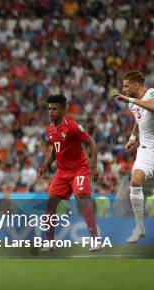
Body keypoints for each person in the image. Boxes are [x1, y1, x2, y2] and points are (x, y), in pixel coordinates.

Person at [112, 71, 154, 256]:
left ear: (137, 85)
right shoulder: (133, 102)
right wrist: (133, 137)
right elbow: (139, 119)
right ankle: (139, 227)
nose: (124, 89)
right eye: (123, 86)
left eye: (127, 86)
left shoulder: (152, 94)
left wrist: (130, 100)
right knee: (135, 180)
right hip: (146, 150)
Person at [38, 95, 100, 252]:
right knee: (50, 204)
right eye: (49, 109)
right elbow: (55, 149)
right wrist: (46, 164)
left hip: (79, 169)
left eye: (54, 109)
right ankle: (50, 242)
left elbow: (91, 142)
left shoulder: (72, 126)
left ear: (63, 110)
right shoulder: (50, 130)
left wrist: (93, 165)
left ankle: (95, 240)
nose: (51, 112)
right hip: (62, 172)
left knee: (83, 199)